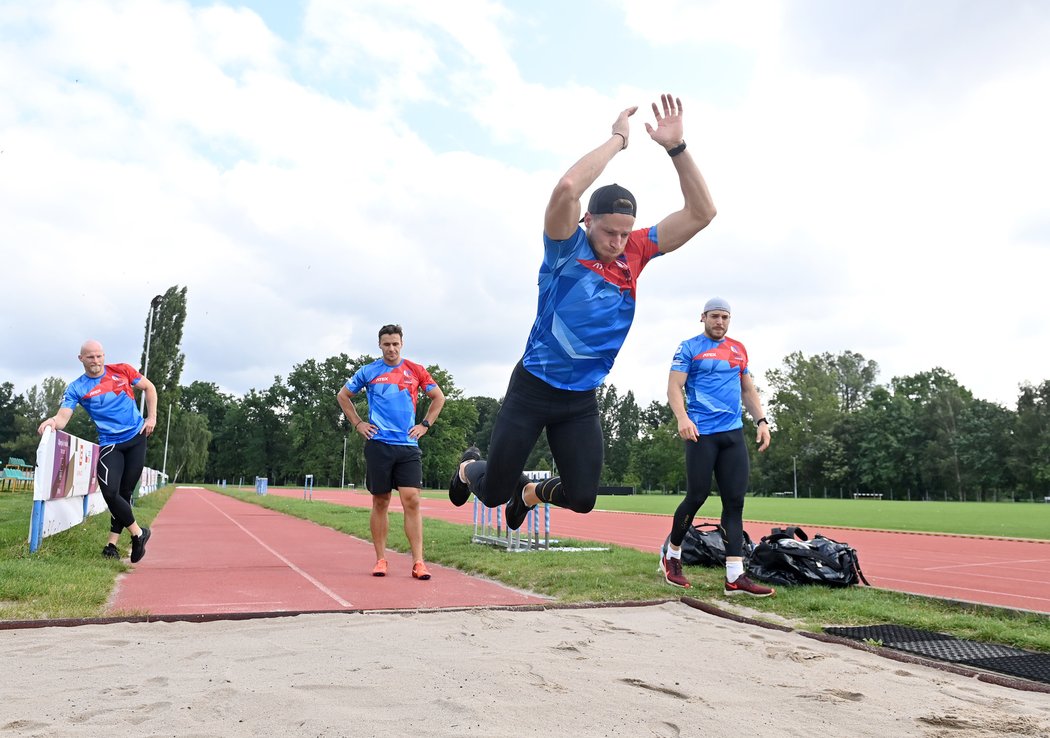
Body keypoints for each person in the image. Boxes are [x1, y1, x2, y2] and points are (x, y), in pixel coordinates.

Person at [449, 93, 716, 530]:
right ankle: (467, 468)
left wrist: (676, 149)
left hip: (580, 398)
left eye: (625, 233)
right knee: (493, 492)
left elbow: (702, 213)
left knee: (584, 496)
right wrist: (618, 139)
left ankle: (530, 494)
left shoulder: (637, 249)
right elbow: (567, 189)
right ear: (587, 220)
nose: (617, 242)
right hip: (533, 388)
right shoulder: (564, 248)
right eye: (609, 231)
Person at [659, 298, 774, 597]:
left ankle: (735, 576)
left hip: (732, 435)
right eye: (714, 316)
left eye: (724, 317)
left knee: (734, 503)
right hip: (701, 433)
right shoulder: (689, 348)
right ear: (703, 318)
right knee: (696, 497)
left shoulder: (738, 350)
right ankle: (671, 556)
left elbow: (748, 390)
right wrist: (682, 418)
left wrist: (761, 421)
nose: (719, 322)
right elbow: (674, 387)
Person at [337, 324, 445, 580]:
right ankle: (381, 559)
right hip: (379, 444)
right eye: (387, 344)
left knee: (412, 500)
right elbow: (343, 395)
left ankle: (419, 562)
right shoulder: (369, 371)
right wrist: (359, 423)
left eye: (395, 343)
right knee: (381, 501)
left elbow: (438, 397)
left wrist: (425, 425)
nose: (391, 348)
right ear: (380, 345)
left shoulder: (415, 370)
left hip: (408, 445)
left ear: (402, 344)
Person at [38, 340, 157, 562]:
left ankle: (111, 544)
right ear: (81, 358)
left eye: (99, 356)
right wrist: (51, 422)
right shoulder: (77, 388)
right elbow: (63, 418)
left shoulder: (122, 370)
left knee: (124, 494)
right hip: (110, 442)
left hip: (136, 437)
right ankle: (138, 534)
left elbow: (149, 387)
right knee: (110, 492)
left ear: (104, 356)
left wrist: (152, 417)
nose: (96, 361)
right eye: (91, 357)